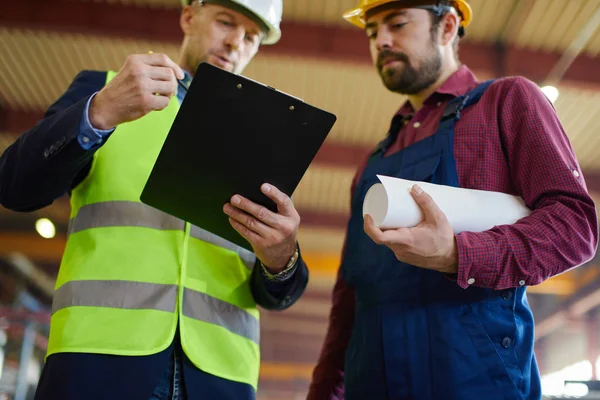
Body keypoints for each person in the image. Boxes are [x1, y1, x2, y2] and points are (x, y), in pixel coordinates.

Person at [0, 1, 311, 399]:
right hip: (98, 361)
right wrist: (100, 111)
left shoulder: (268, 138)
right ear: (188, 17)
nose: (236, 42)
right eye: (226, 22)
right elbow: (15, 186)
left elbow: (279, 292)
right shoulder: (107, 90)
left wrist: (282, 258)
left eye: (252, 36)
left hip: (220, 377)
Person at [307, 1, 599, 399]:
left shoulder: (506, 103)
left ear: (447, 26)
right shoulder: (369, 167)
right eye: (372, 33)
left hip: (475, 384)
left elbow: (574, 227)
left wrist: (458, 254)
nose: (382, 41)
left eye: (396, 23)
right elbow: (348, 299)